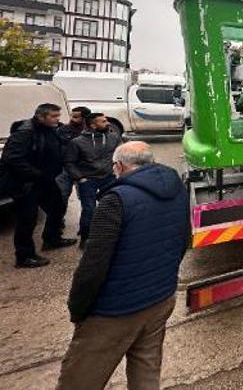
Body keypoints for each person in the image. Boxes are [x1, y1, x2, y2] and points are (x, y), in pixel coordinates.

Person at [56, 141, 190, 390]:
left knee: (79, 380)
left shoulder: (115, 200)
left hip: (115, 310)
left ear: (118, 166)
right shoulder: (177, 188)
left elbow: (93, 265)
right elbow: (184, 240)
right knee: (146, 372)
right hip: (160, 300)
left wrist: (78, 308)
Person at [0, 103, 77, 268]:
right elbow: (12, 159)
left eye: (58, 116)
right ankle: (24, 256)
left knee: (57, 207)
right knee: (27, 219)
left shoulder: (51, 129)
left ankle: (52, 239)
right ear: (41, 116)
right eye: (54, 116)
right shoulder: (25, 133)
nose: (58, 119)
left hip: (46, 181)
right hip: (26, 183)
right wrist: (36, 174)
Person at [64, 112, 122, 247]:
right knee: (89, 209)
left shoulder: (113, 137)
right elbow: (69, 162)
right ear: (92, 125)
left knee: (112, 206)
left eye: (106, 120)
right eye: (103, 121)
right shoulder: (77, 142)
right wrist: (80, 178)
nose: (107, 123)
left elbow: (121, 152)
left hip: (108, 178)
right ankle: (86, 239)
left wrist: (117, 169)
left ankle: (111, 235)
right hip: (88, 180)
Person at [56, 106, 91, 217]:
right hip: (65, 169)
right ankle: (58, 224)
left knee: (86, 199)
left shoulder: (91, 132)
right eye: (72, 116)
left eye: (76, 117)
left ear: (85, 118)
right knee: (61, 197)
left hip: (83, 169)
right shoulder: (62, 130)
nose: (72, 119)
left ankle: (86, 226)